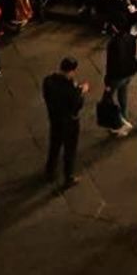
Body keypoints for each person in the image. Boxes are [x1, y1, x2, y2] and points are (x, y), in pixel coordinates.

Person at [42, 57, 87, 188]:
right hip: (69, 123)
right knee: (69, 151)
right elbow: (76, 106)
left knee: (54, 146)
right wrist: (81, 91)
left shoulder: (48, 81)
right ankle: (68, 177)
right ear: (72, 71)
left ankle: (50, 171)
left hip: (55, 120)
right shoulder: (70, 88)